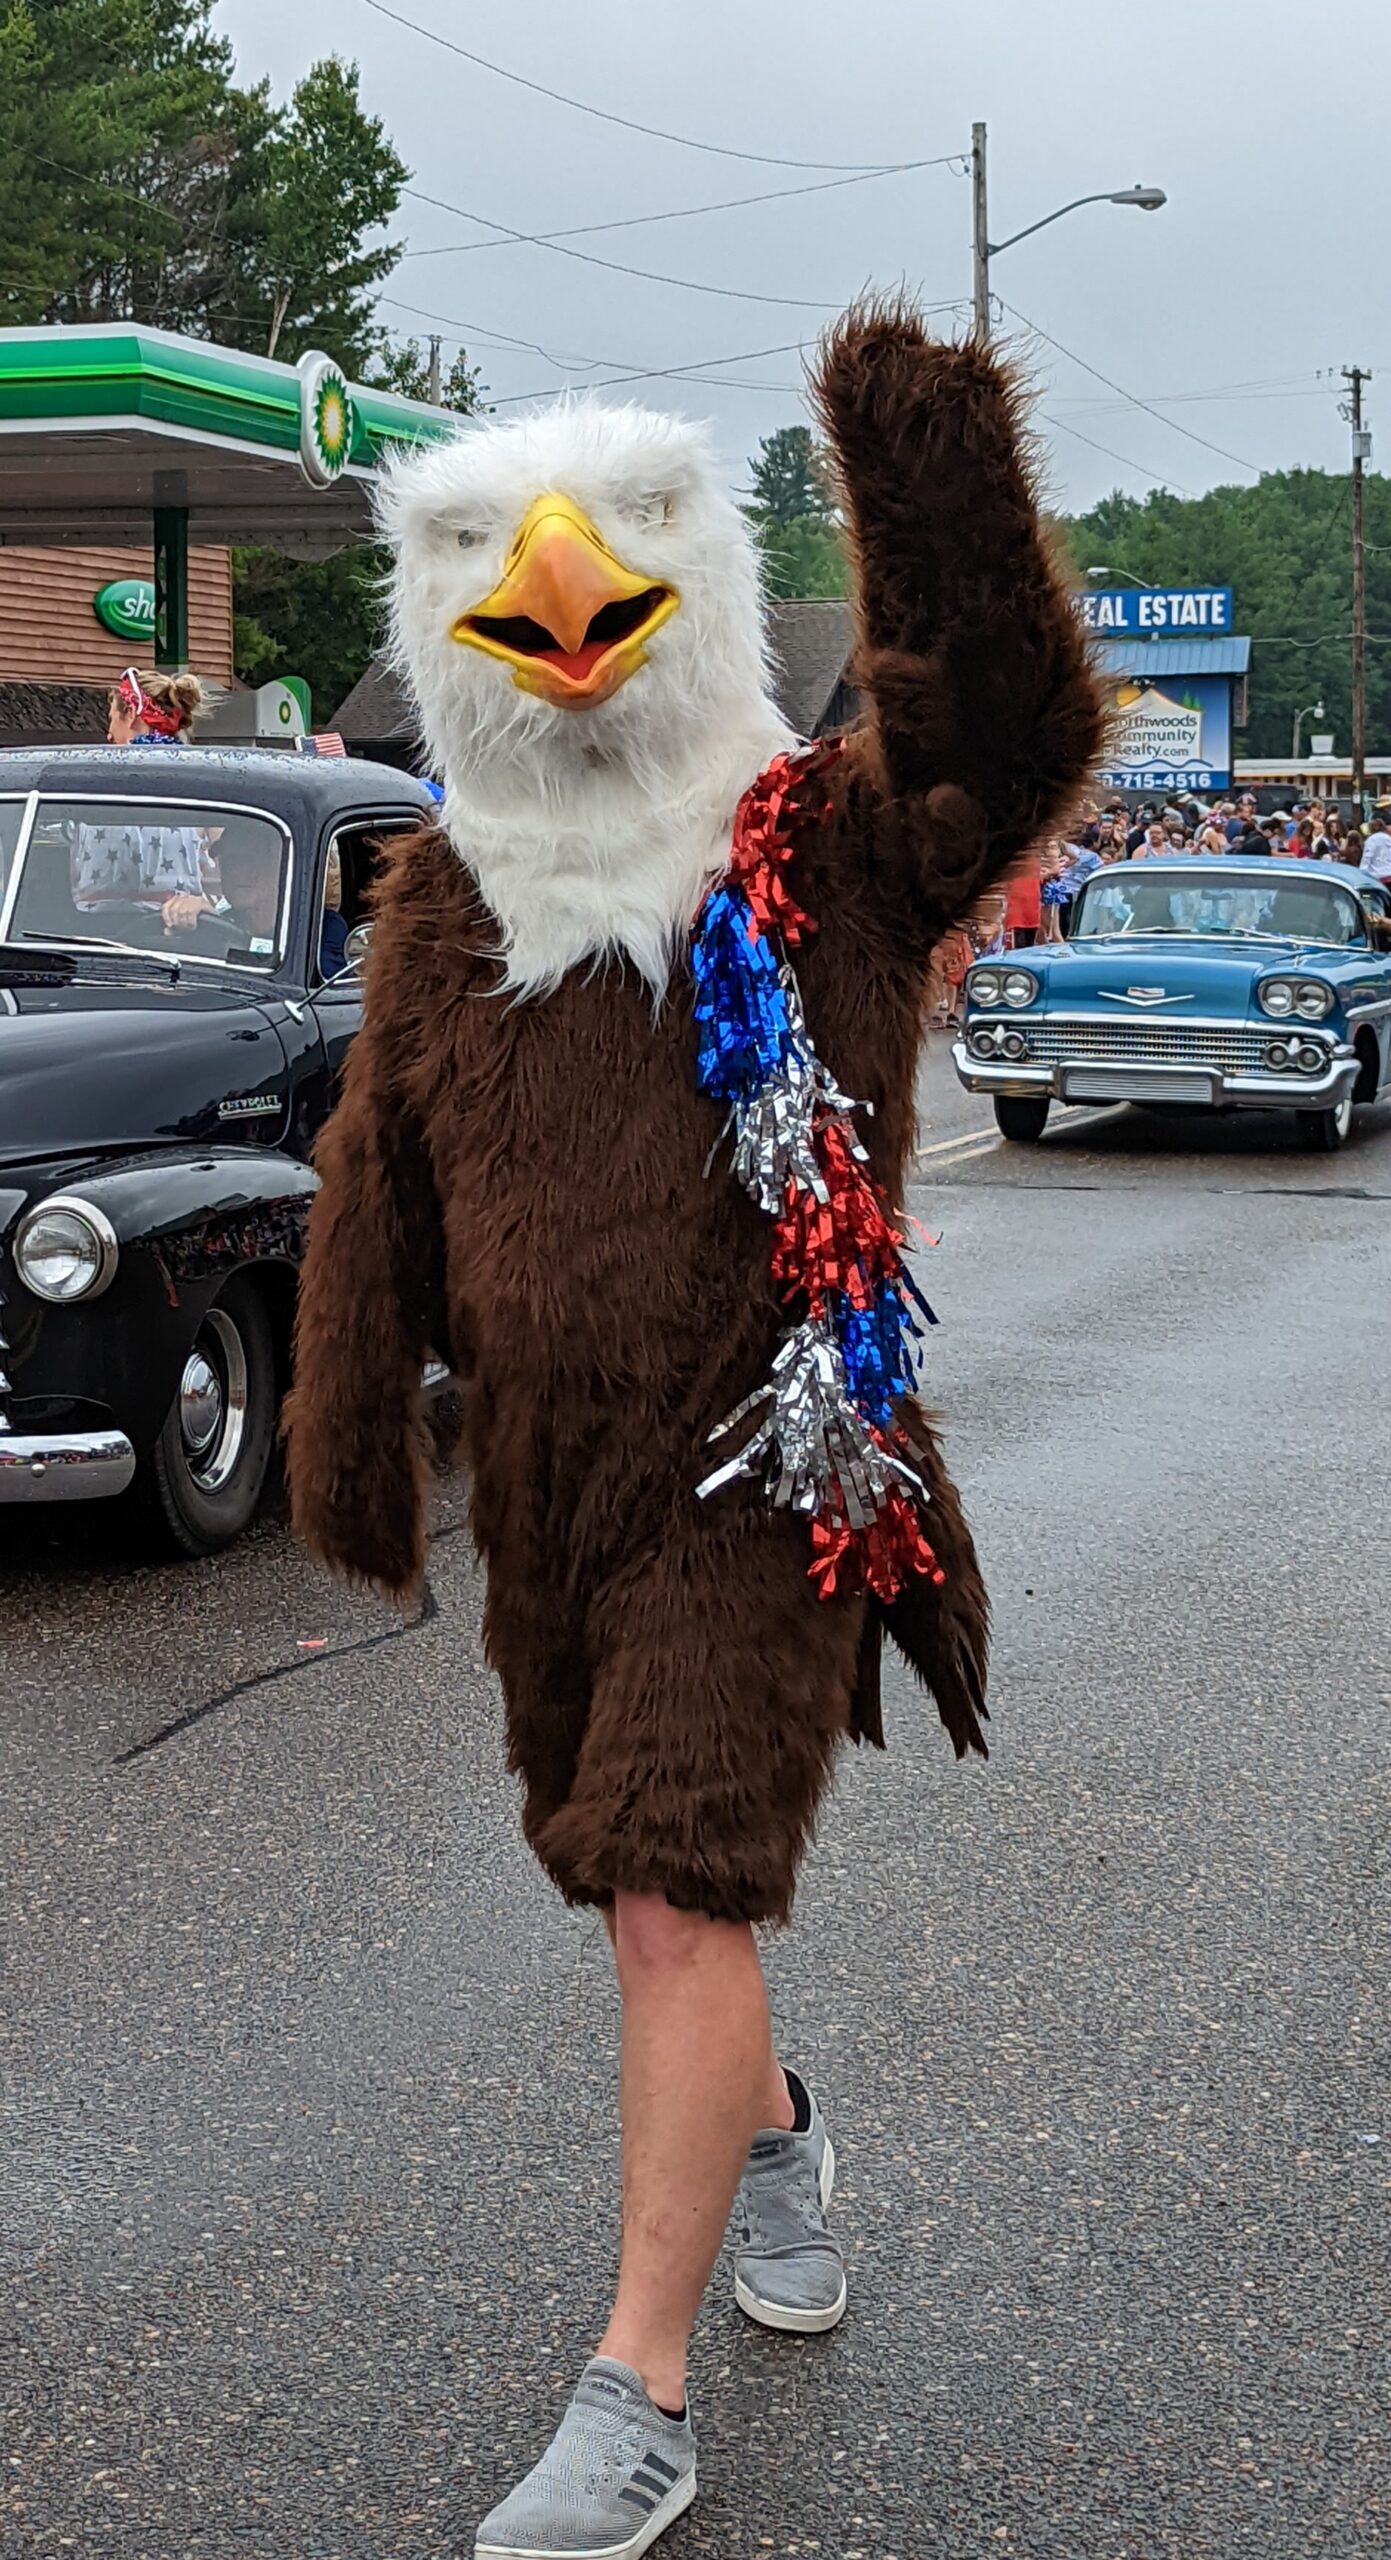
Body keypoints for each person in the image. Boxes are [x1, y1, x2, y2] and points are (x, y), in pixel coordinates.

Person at [283, 306, 1103, 2560]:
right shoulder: (452, 898)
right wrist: (351, 1437)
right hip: (557, 1491)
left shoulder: (814, 846)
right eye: (481, 550)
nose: (552, 584)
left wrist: (923, 462)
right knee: (620, 1873)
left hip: (773, 1465)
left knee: (666, 1876)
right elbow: (385, 1162)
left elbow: (1001, 739)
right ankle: (767, 2134)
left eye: (618, 532)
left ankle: (633, 2390)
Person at [106, 665, 205, 746]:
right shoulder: (194, 762)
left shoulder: (123, 767)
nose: (109, 736)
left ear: (130, 714)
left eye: (112, 718)